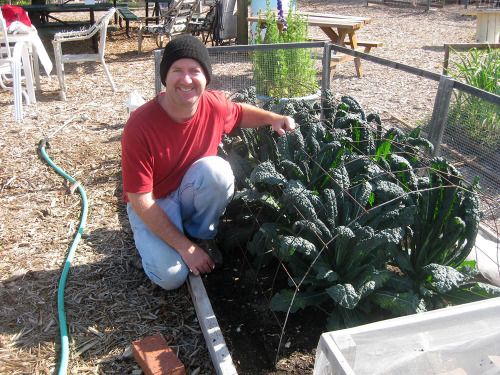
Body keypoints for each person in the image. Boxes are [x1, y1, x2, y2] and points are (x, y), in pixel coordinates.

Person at [121, 35, 295, 290]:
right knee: (171, 278)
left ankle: (202, 237)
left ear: (206, 77)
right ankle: (151, 245)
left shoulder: (213, 105)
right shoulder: (140, 125)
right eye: (177, 70)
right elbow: (140, 200)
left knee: (219, 171)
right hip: (153, 204)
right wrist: (184, 248)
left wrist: (273, 117)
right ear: (165, 77)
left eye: (195, 71)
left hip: (187, 192)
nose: (187, 79)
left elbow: (239, 113)